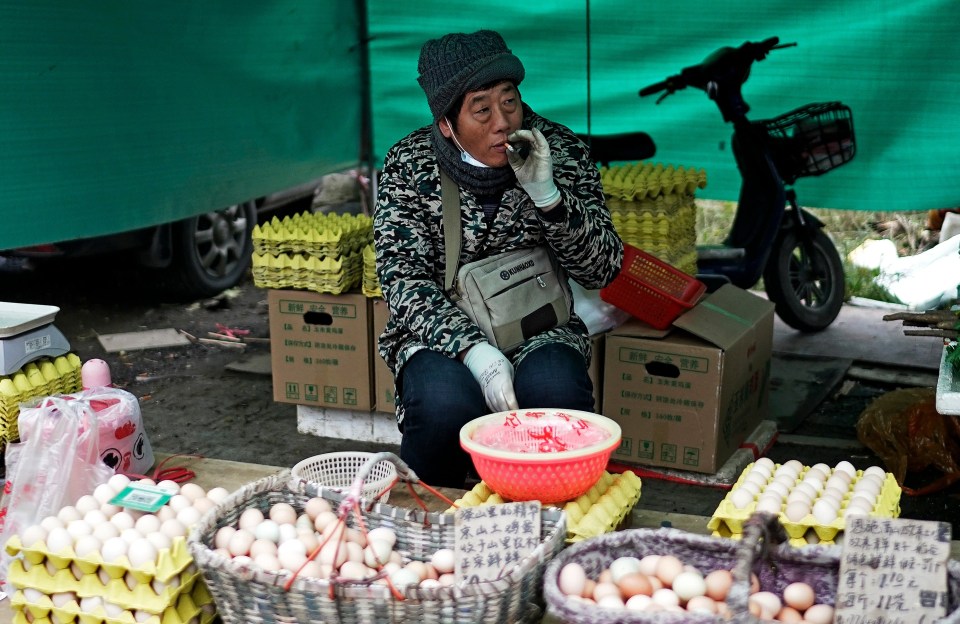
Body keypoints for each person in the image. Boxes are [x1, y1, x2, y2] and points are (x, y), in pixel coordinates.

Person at [373, 29, 623, 488]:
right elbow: (402, 279)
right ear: (447, 124)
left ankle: (547, 520)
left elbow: (601, 268)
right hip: (442, 334)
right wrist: (474, 351)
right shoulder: (408, 165)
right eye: (481, 110)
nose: (503, 122)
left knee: (556, 396)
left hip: (538, 326)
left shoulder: (559, 151)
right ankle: (438, 518)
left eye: (509, 102)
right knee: (444, 404)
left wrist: (549, 197)